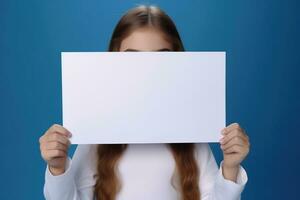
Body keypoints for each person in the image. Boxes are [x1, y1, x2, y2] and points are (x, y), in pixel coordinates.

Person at [39, 5, 250, 200]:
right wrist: (58, 169)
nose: (147, 72)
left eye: (162, 58)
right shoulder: (96, 136)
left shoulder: (191, 136)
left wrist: (230, 169)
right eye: (133, 58)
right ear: (112, 62)